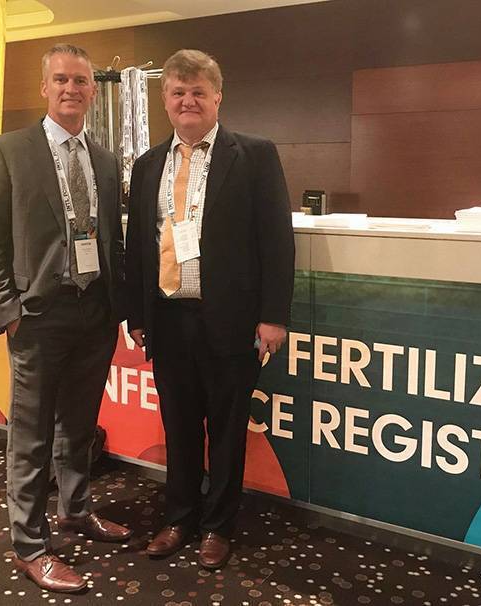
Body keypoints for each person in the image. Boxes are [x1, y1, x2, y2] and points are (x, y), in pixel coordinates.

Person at [0, 43, 143, 594]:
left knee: (80, 424)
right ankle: (29, 545)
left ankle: (75, 509)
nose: (72, 89)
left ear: (93, 90)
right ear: (44, 87)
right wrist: (7, 311)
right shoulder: (7, 151)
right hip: (37, 315)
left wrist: (119, 308)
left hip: (94, 312)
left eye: (81, 81)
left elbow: (111, 239)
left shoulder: (105, 160)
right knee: (31, 435)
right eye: (62, 80)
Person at [124, 49, 295, 570]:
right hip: (168, 319)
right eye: (178, 92)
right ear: (165, 99)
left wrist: (273, 316)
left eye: (198, 91)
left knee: (226, 430)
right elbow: (138, 246)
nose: (188, 101)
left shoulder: (255, 155)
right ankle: (179, 518)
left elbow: (276, 240)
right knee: (177, 426)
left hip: (231, 321)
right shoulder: (148, 164)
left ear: (218, 97)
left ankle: (218, 526)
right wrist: (137, 316)